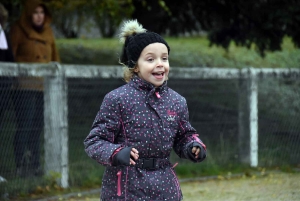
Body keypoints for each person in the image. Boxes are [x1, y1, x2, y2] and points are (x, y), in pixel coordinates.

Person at [83, 19, 207, 201]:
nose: (160, 64)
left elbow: (184, 136)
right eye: (151, 59)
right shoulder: (117, 99)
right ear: (135, 66)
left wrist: (193, 146)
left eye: (164, 58)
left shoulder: (176, 101)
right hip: (126, 188)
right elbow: (94, 141)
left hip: (165, 188)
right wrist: (116, 152)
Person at [9, 0, 60, 177]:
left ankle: (35, 164)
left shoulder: (49, 32)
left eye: (42, 12)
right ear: (29, 14)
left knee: (38, 127)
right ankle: (21, 164)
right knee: (25, 125)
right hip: (24, 87)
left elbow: (55, 59)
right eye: (36, 12)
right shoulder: (18, 30)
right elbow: (10, 57)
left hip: (43, 88)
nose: (39, 16)